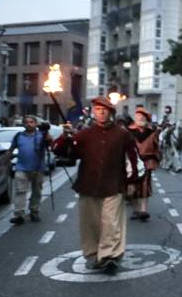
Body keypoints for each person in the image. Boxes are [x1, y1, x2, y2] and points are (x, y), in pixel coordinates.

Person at [55, 96, 140, 274]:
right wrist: (66, 138)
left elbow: (133, 158)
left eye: (104, 109)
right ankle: (94, 255)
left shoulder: (122, 134)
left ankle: (110, 256)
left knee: (111, 223)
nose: (101, 112)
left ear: (110, 112)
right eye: (97, 109)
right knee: (90, 224)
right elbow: (64, 153)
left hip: (115, 184)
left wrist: (132, 181)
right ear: (93, 112)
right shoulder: (84, 134)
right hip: (89, 184)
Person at [8, 114, 53, 225]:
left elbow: (50, 142)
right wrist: (7, 158)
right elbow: (11, 149)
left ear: (35, 123)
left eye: (31, 122)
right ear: (23, 124)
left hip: (38, 168)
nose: (29, 124)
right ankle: (19, 214)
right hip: (22, 167)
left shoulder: (41, 135)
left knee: (36, 191)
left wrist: (46, 132)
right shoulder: (19, 136)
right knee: (20, 191)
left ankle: (34, 211)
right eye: (26, 122)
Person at [128, 107, 159, 221]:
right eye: (137, 117)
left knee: (145, 186)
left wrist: (155, 160)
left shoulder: (152, 133)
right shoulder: (128, 131)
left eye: (142, 117)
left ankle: (143, 210)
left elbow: (156, 148)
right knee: (130, 187)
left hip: (146, 162)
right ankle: (136, 209)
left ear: (146, 119)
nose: (140, 119)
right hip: (131, 162)